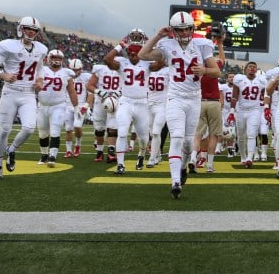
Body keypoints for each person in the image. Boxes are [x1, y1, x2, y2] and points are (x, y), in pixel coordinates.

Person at [138, 11, 221, 199]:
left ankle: (183, 168)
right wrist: (158, 35)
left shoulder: (202, 45)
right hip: (175, 97)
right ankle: (175, 181)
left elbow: (216, 72)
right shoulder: (167, 45)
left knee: (187, 141)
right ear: (173, 30)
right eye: (179, 30)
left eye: (187, 29)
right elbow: (143, 55)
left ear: (192, 28)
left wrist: (205, 70)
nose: (184, 34)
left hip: (193, 98)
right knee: (176, 137)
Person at [0, 16, 47, 180]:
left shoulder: (40, 49)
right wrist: (3, 74)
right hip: (10, 92)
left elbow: (40, 68)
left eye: (34, 30)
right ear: (21, 29)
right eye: (28, 28)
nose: (31, 32)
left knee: (28, 128)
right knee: (4, 130)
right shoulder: (9, 46)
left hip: (28, 93)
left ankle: (11, 150)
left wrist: (40, 79)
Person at [103, 29, 164, 174]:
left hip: (142, 103)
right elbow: (106, 60)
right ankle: (120, 165)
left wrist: (151, 45)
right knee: (122, 132)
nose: (132, 56)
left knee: (143, 138)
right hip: (126, 102)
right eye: (130, 53)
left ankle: (141, 154)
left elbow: (162, 62)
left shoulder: (146, 63)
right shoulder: (122, 62)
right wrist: (120, 45)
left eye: (135, 53)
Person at [36, 49, 79, 166]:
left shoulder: (66, 73)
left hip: (58, 106)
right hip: (42, 106)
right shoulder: (41, 70)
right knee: (43, 132)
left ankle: (52, 157)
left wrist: (76, 107)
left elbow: (72, 92)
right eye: (54, 57)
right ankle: (44, 155)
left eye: (59, 58)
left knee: (55, 130)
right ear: (49, 58)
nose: (57, 60)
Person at [190, 32, 226, 173]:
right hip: (214, 103)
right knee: (213, 135)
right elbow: (222, 60)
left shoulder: (194, 67)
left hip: (199, 102)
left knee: (197, 134)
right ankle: (210, 166)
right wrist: (221, 44)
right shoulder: (213, 66)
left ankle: (193, 158)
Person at [227, 62, 267, 167]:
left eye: (254, 67)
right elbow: (234, 96)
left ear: (256, 69)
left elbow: (266, 95)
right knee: (241, 136)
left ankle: (250, 158)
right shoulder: (239, 79)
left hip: (255, 110)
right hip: (241, 110)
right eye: (250, 67)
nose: (252, 68)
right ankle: (243, 157)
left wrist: (266, 108)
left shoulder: (261, 81)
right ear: (246, 69)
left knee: (251, 134)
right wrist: (231, 111)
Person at [63, 58, 92, 158]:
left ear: (81, 69)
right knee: (68, 129)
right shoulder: (65, 75)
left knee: (77, 126)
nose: (75, 72)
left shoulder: (86, 77)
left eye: (77, 70)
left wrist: (87, 105)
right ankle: (68, 150)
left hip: (80, 105)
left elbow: (91, 93)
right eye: (73, 69)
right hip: (68, 104)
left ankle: (78, 145)